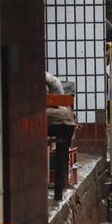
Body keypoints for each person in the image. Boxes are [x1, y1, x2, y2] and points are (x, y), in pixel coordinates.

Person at [46, 72, 76, 202]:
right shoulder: (49, 78)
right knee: (61, 158)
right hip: (68, 123)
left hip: (53, 121)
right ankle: (59, 194)